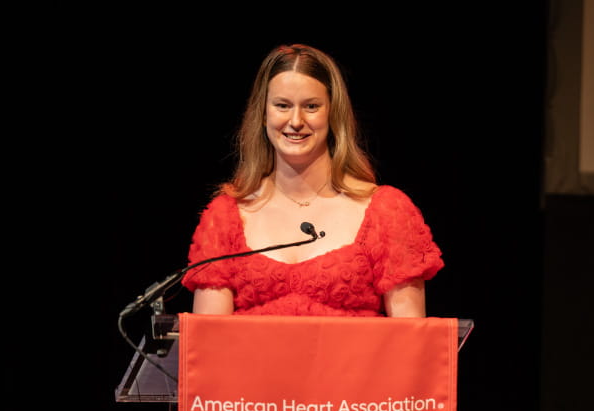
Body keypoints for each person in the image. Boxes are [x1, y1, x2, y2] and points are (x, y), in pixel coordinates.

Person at [182, 43, 443, 317]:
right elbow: (209, 345)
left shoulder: (387, 212)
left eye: (311, 106)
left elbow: (409, 343)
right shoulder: (225, 217)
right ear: (263, 113)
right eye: (282, 105)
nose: (296, 120)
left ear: (333, 113)